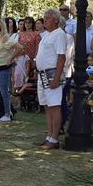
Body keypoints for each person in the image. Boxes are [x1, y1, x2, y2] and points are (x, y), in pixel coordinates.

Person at [33, 9, 67, 149]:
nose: (45, 20)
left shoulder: (59, 34)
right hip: (42, 74)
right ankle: (49, 135)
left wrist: (56, 78)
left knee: (54, 106)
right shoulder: (46, 34)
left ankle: (54, 139)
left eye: (48, 18)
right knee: (47, 106)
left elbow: (61, 57)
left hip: (52, 74)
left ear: (56, 20)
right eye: (44, 18)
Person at [0, 19, 22, 122]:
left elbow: (19, 48)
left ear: (1, 28)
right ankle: (0, 112)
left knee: (4, 91)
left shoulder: (5, 38)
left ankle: (8, 114)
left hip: (3, 67)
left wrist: (11, 58)